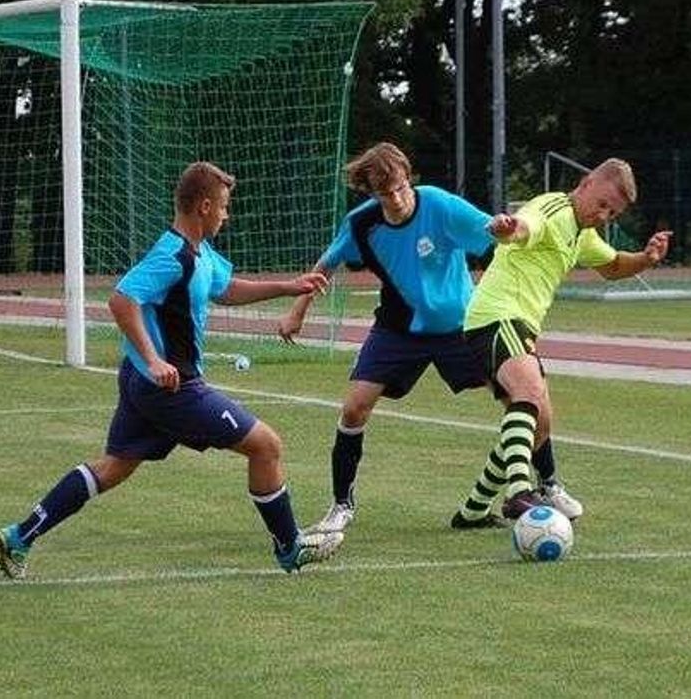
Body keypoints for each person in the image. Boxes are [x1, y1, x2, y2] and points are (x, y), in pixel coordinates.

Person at [0, 161, 342, 579]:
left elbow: (225, 290)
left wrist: (288, 286)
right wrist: (155, 360)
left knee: (113, 468)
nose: (227, 216)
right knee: (266, 446)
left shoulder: (200, 253)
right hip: (172, 388)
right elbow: (123, 300)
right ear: (205, 206)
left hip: (146, 382)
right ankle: (289, 548)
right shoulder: (172, 256)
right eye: (225, 207)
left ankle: (19, 536)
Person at [277, 141, 534, 533]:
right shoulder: (362, 223)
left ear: (409, 180)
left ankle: (543, 485)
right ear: (372, 193)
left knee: (518, 395)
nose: (396, 199)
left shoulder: (438, 204)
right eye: (385, 193)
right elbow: (326, 264)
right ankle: (341, 506)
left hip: (461, 326)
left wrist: (502, 228)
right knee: (354, 409)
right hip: (398, 329)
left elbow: (491, 230)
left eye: (400, 187)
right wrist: (297, 310)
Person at [451, 158, 672, 525]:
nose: (604, 216)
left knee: (540, 424)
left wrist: (647, 258)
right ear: (585, 184)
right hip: (496, 316)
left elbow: (613, 265)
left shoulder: (582, 232)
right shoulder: (553, 208)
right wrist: (508, 227)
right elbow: (526, 226)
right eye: (602, 204)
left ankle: (473, 510)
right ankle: (522, 492)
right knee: (530, 393)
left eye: (612, 213)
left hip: (518, 324)